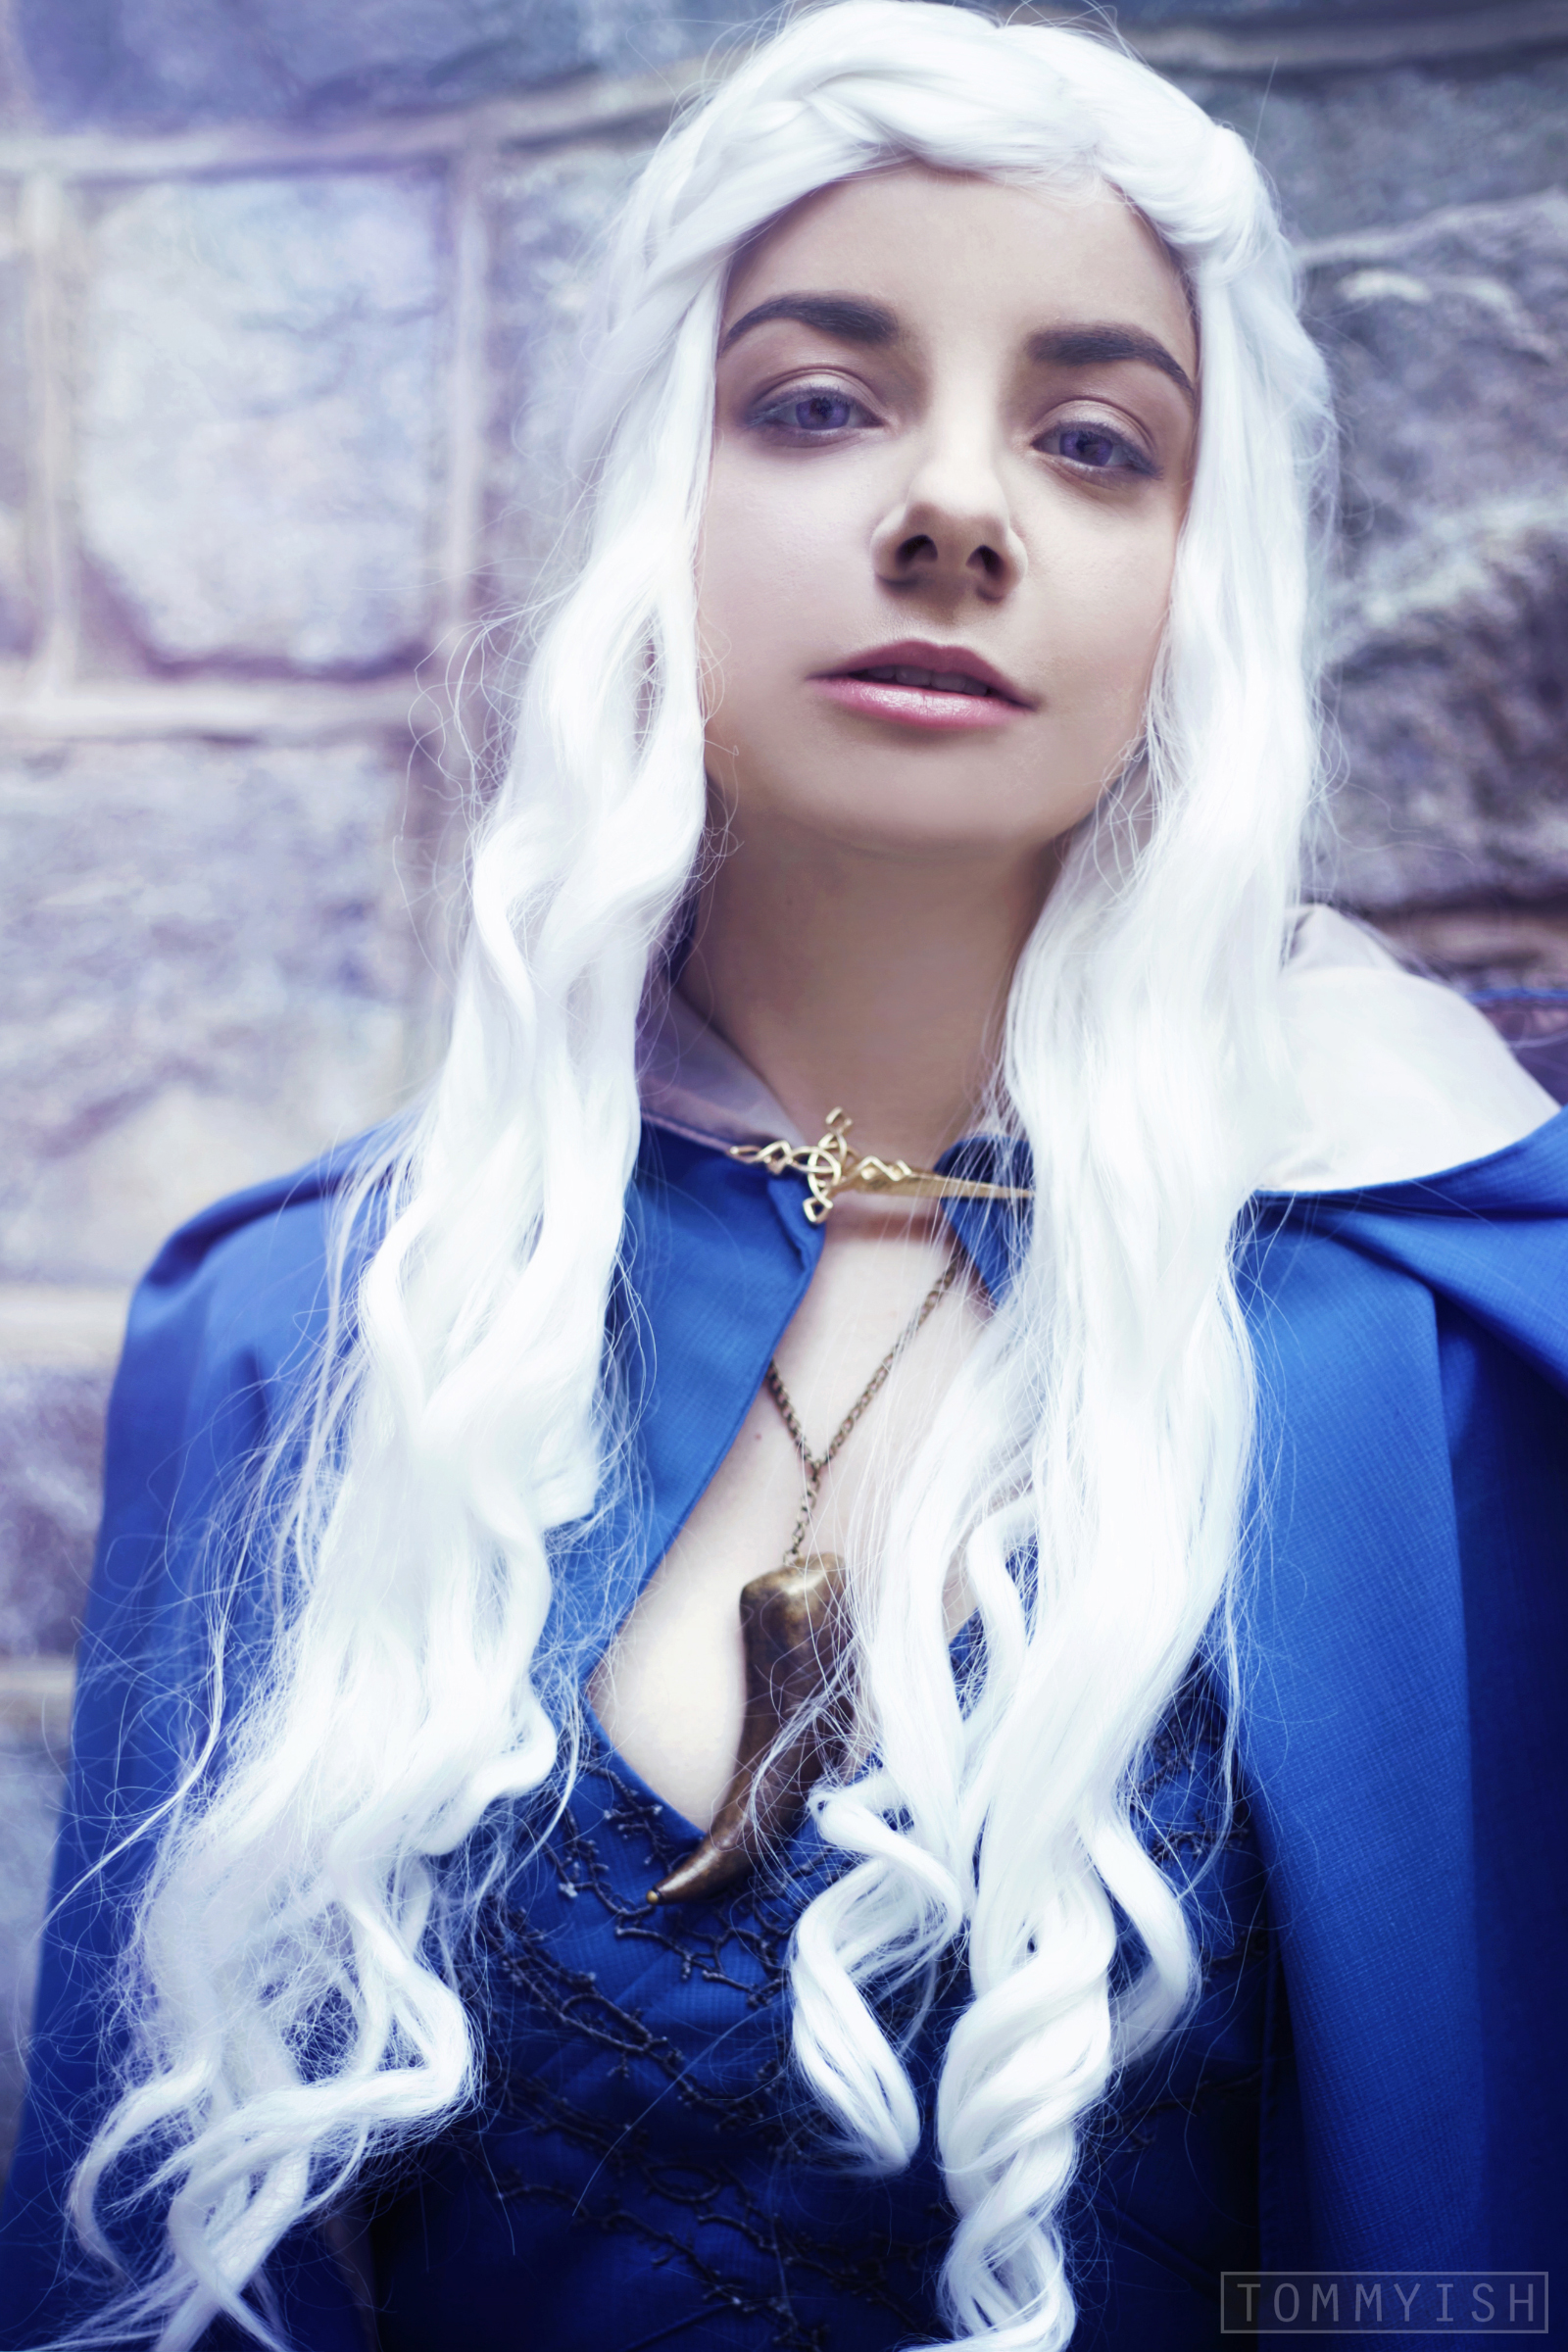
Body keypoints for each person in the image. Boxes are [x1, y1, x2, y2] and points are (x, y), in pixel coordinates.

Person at [2, 6, 1564, 2346]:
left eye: (1092, 440)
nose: (951, 509)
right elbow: (129, 2252)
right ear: (659, 502)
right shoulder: (303, 1325)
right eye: (819, 403)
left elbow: (1468, 2254)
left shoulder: (1442, 1330)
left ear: (1196, 586)